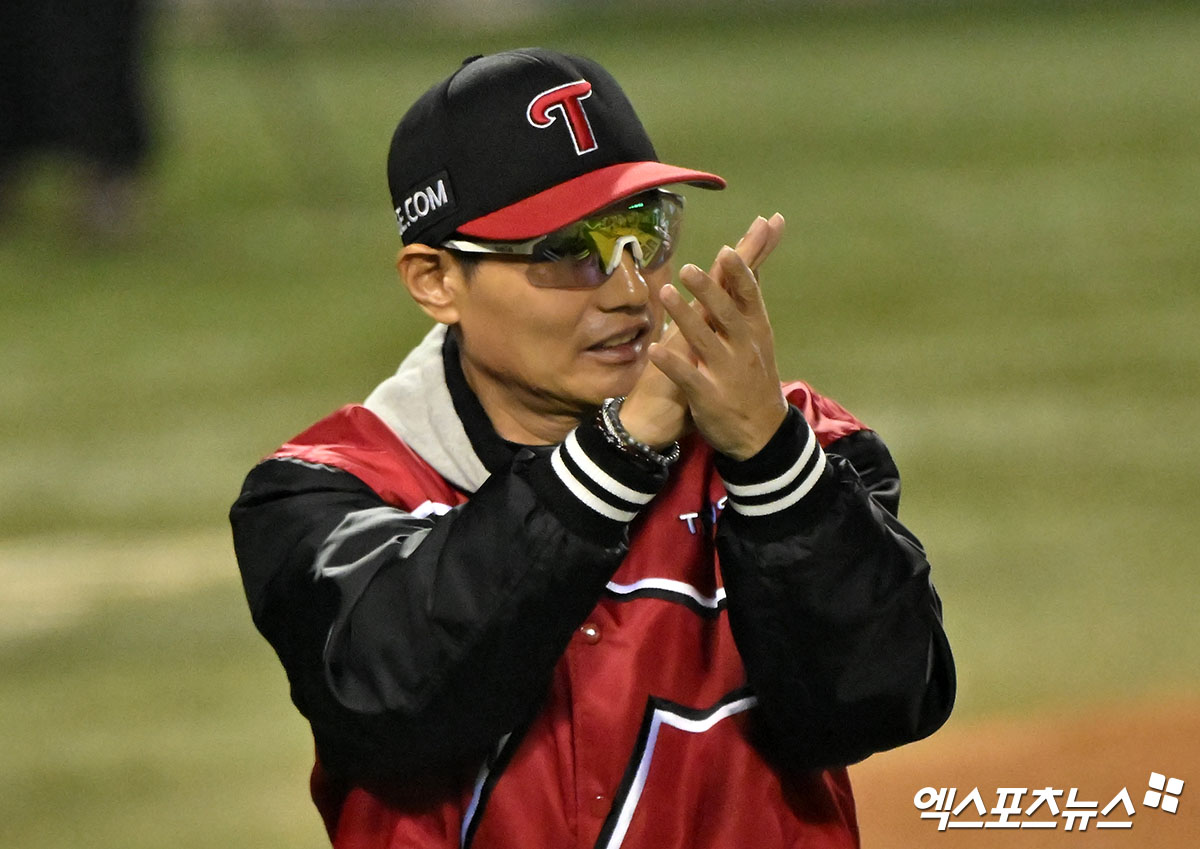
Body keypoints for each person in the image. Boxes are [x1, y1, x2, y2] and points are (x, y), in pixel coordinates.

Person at [230, 47, 955, 849]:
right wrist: (617, 453)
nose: (629, 287)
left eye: (641, 231)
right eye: (565, 249)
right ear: (435, 279)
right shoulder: (327, 494)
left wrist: (772, 462)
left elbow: (881, 701)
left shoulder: (808, 448)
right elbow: (401, 712)